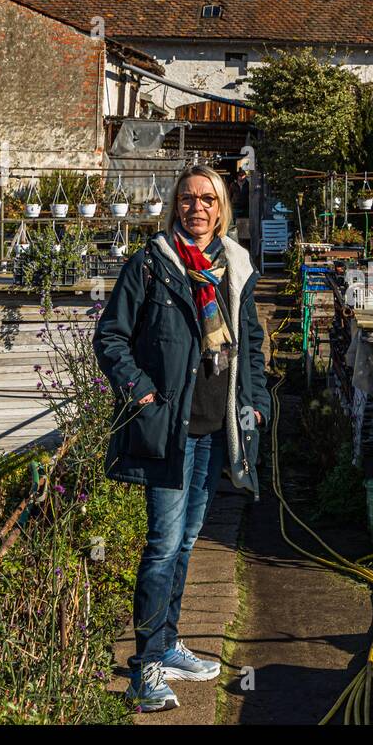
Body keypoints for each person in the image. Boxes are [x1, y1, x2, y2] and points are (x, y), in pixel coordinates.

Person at [93, 164, 270, 712]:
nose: (198, 207)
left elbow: (252, 345)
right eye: (188, 198)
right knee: (163, 545)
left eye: (208, 199)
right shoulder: (151, 264)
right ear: (177, 206)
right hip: (169, 430)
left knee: (188, 540)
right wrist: (141, 391)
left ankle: (167, 644)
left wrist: (257, 404)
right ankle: (145, 669)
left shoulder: (234, 268)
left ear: (221, 208)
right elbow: (111, 337)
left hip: (215, 429)